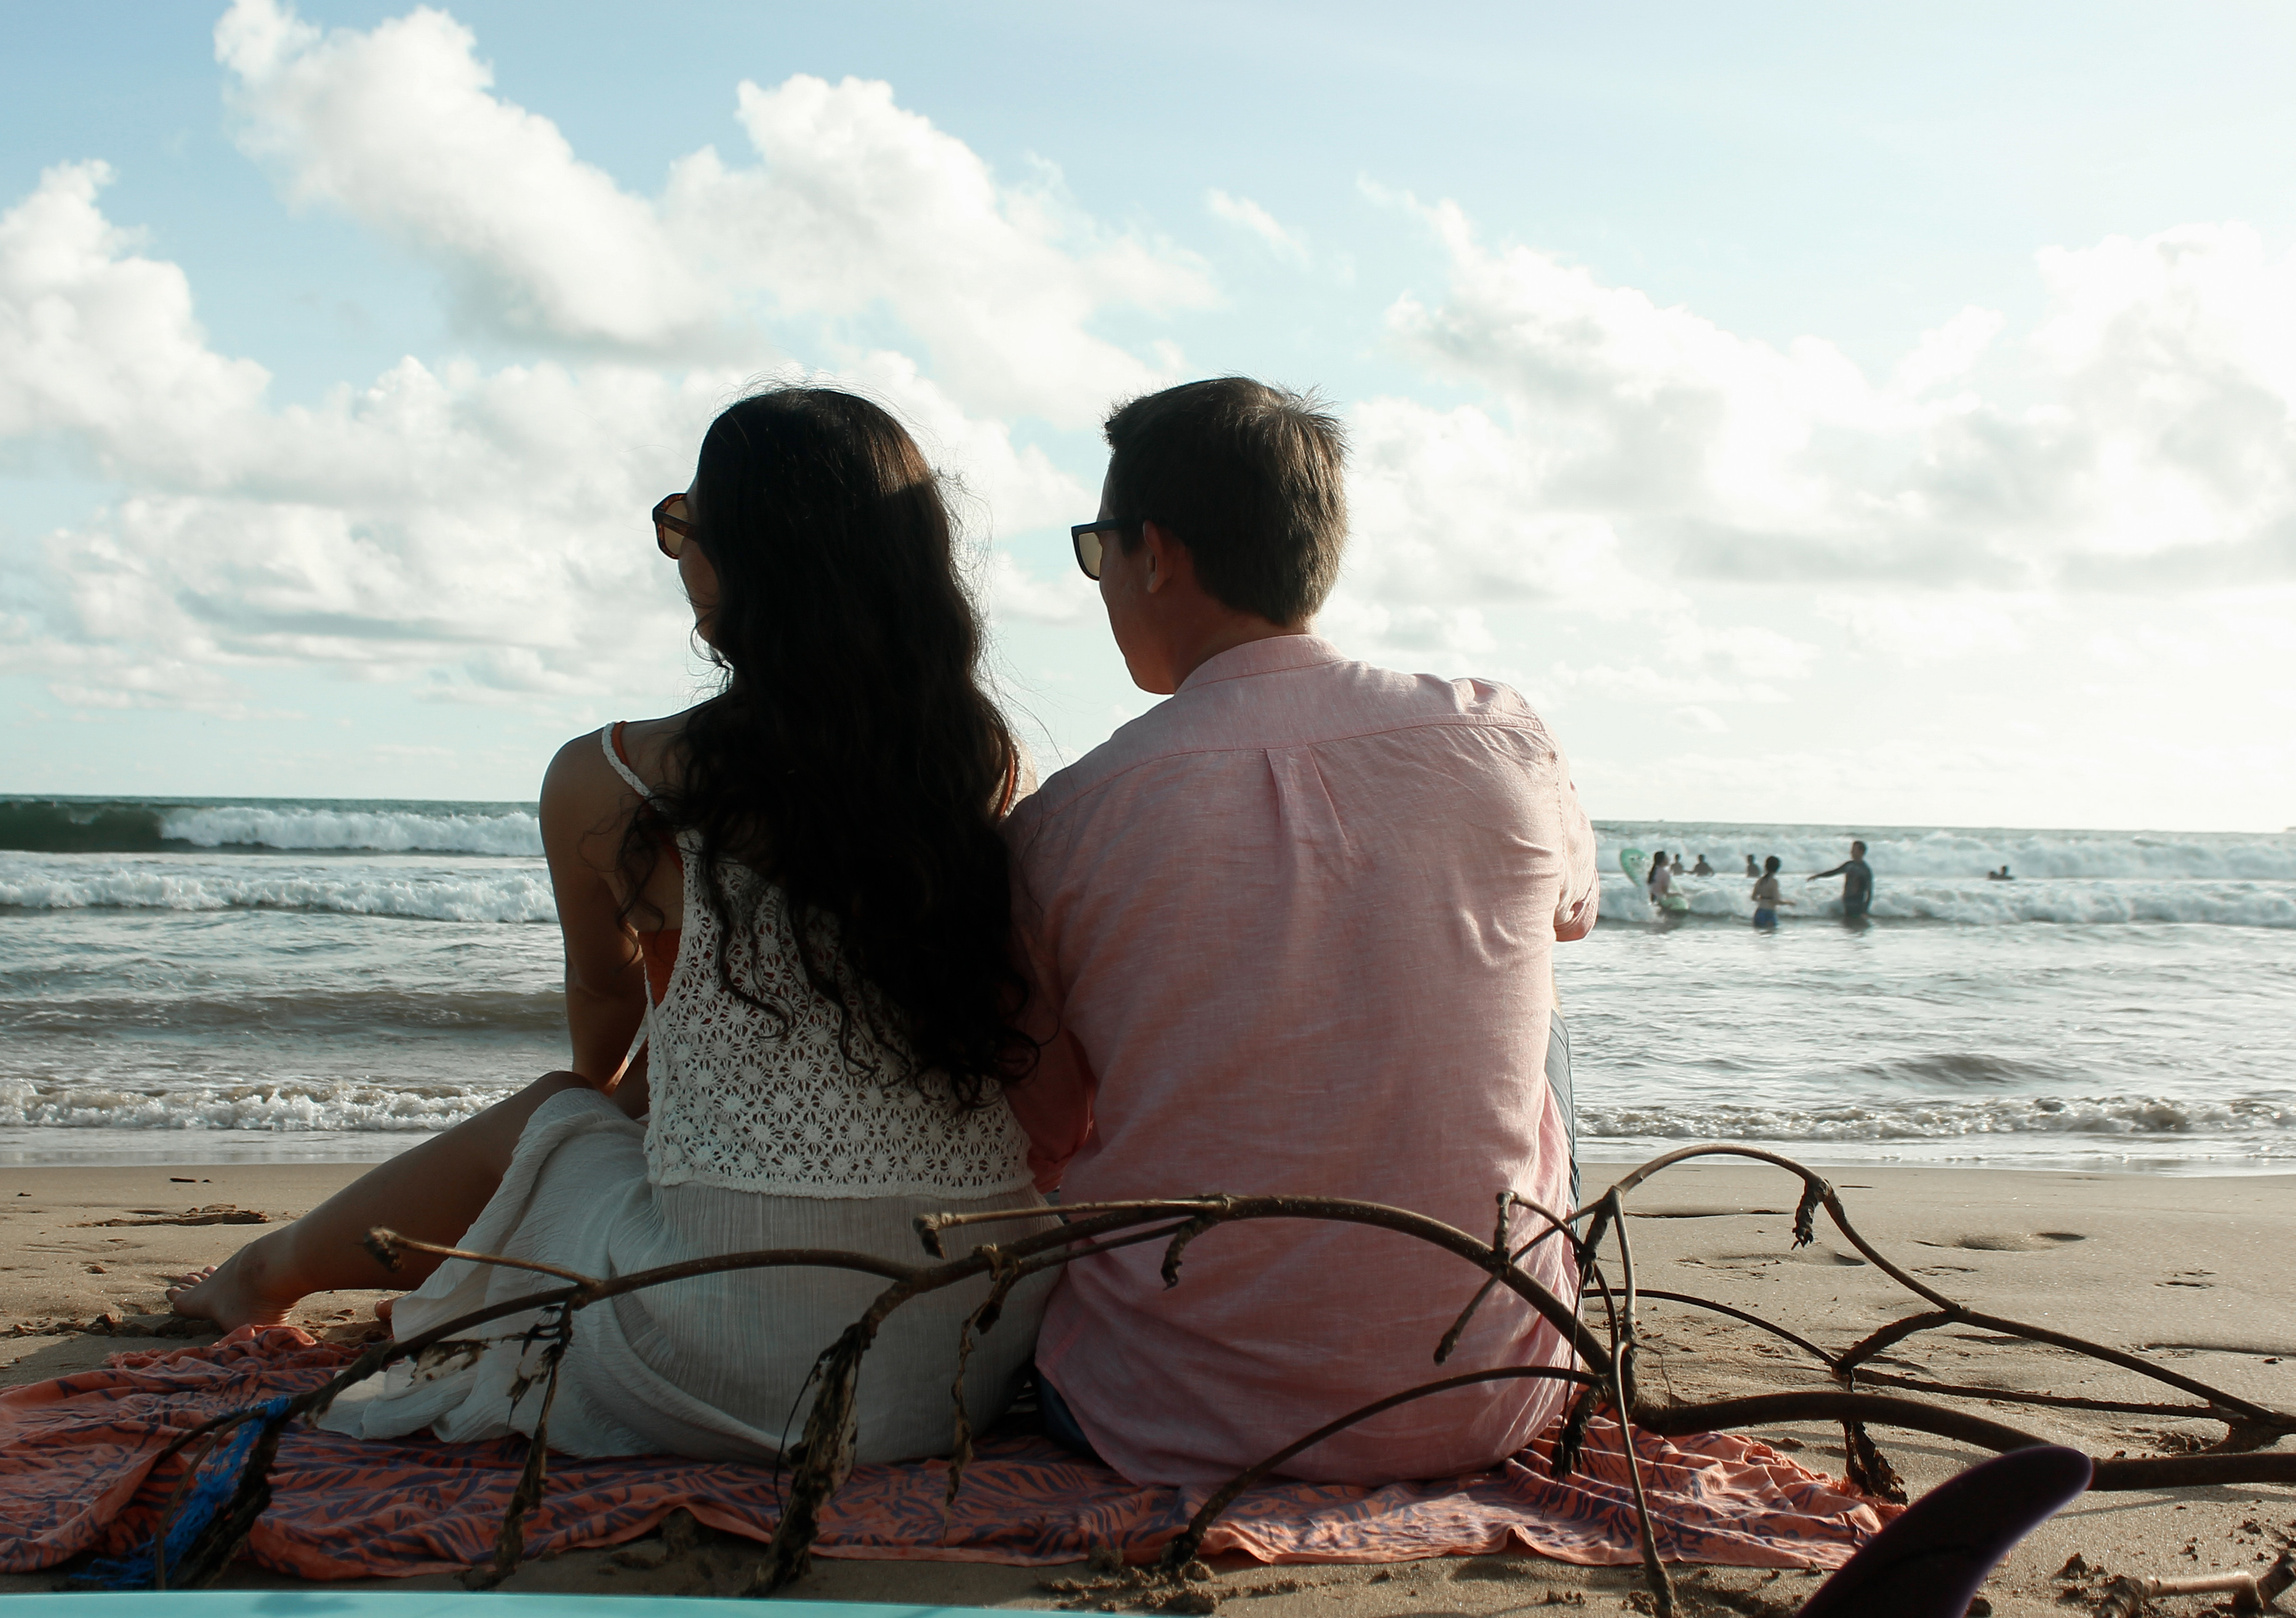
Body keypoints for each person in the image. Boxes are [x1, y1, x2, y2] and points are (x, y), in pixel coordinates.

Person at [168, 387, 1052, 1465]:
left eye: (685, 525)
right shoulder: (980, 766)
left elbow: (605, 994)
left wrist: (592, 1111)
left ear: (735, 558)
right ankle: (275, 1270)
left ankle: (259, 1278)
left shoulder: (616, 777)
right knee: (623, 1113)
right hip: (964, 1344)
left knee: (552, 1117)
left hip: (739, 1361)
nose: (680, 552)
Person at [1008, 377, 1596, 1487]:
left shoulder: (1067, 820)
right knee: (1535, 1016)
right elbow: (1567, 919)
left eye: (1097, 550)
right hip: (1495, 1399)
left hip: (1165, 1420)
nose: (1098, 584)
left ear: (1157, 555)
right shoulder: (1502, 736)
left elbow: (1042, 1133)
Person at [1810, 840, 1875, 919]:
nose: (1851, 852)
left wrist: (1864, 910)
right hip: (1847, 901)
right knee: (1848, 927)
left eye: (1854, 850)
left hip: (1857, 904)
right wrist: (1818, 876)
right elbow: (1834, 872)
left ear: (1861, 852)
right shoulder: (1849, 865)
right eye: (1851, 850)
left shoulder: (1865, 870)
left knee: (1855, 927)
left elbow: (1869, 891)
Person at [1751, 854, 1788, 927]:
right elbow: (1776, 901)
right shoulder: (1774, 882)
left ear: (1765, 867)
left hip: (1759, 912)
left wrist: (1763, 900)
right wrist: (1789, 903)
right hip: (1769, 914)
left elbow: (1753, 897)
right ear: (1777, 868)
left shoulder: (1760, 881)